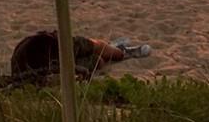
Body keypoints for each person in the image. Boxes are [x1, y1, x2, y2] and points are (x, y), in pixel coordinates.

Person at [9, 29, 151, 82]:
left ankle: (116, 50)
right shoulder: (67, 44)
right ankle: (121, 52)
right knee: (98, 59)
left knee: (97, 53)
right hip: (56, 56)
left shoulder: (26, 49)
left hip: (32, 62)